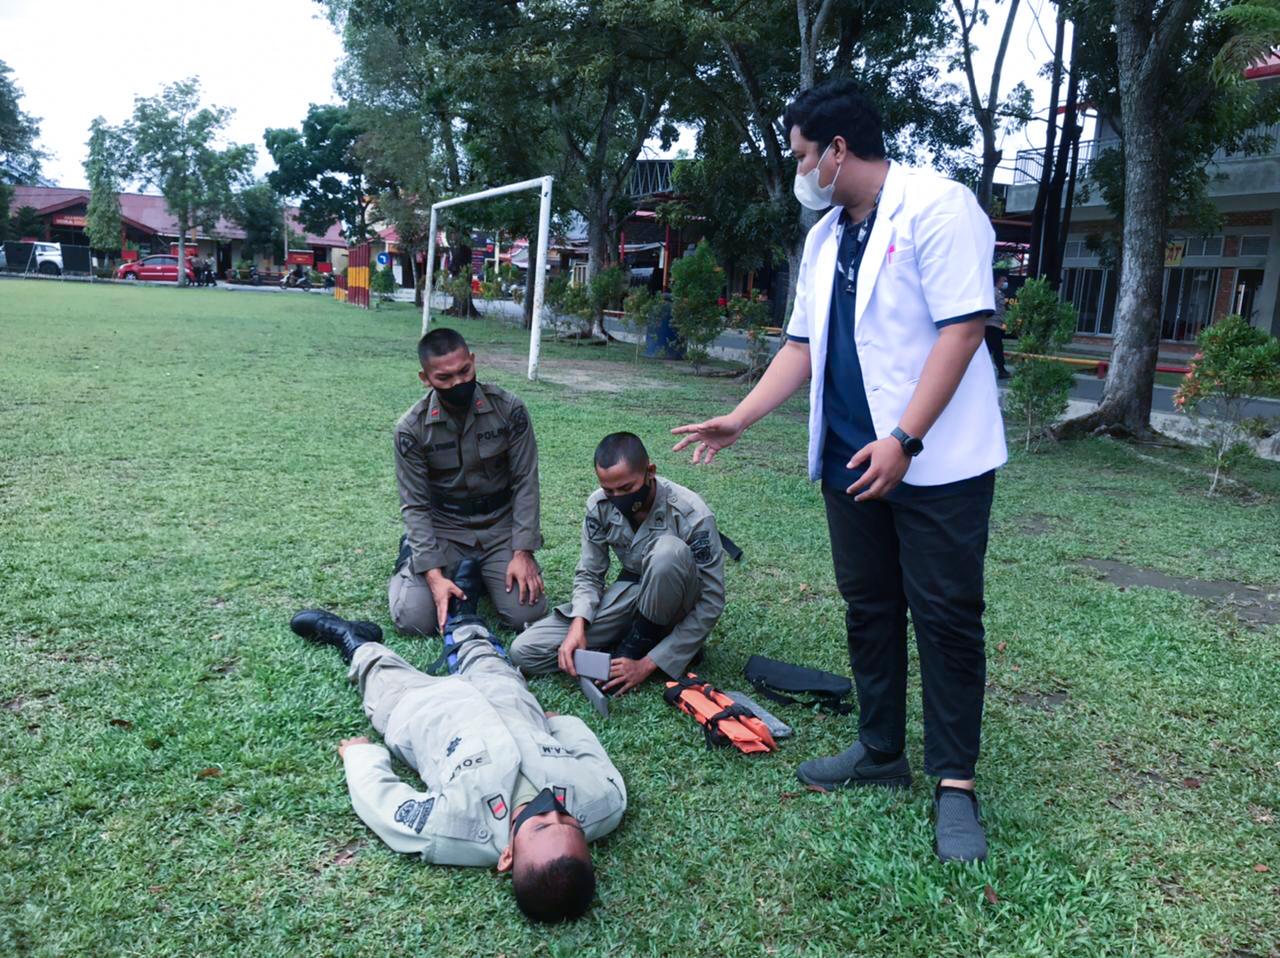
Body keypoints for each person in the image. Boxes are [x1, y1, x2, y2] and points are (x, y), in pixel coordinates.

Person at [671, 80, 1005, 863]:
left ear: (838, 151)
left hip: (936, 465)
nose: (798, 170)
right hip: (848, 462)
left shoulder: (938, 206)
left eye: (800, 155)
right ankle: (880, 751)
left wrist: (905, 439)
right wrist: (740, 417)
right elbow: (802, 346)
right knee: (870, 608)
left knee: (948, 617)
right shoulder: (825, 239)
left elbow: (964, 331)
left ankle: (955, 784)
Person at [291, 561, 626, 924]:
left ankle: (351, 638)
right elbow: (595, 760)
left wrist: (361, 757)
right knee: (482, 650)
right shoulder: (605, 804)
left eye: (542, 825)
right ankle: (463, 607)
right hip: (507, 700)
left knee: (379, 675)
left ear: (507, 857)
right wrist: (565, 726)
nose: (554, 809)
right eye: (570, 821)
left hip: (425, 714)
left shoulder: (457, 831)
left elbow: (386, 807)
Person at [510, 432, 725, 696]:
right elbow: (590, 573)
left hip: (677, 606)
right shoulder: (599, 505)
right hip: (632, 594)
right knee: (525, 650)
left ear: (650, 472)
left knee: (668, 552)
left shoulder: (691, 512)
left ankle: (651, 649)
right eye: (608, 490)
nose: (617, 497)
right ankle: (628, 646)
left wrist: (646, 665)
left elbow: (711, 602)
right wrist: (578, 624)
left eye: (626, 488)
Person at [389, 327, 547, 637]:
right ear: (425, 378)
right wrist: (432, 575)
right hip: (445, 528)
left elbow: (526, 481)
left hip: (499, 525)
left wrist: (523, 552)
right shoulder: (411, 429)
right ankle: (412, 558)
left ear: (473, 360)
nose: (458, 383)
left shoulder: (508, 409)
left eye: (465, 371)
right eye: (444, 378)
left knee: (526, 615)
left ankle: (488, 572)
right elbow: (416, 505)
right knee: (415, 620)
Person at [986, 273, 1011, 379]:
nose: (1005, 283)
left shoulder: (999, 293)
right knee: (997, 348)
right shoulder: (993, 292)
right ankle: (1001, 370)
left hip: (996, 325)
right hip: (991, 325)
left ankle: (1000, 370)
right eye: (1003, 280)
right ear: (997, 281)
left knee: (990, 349)